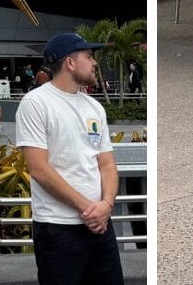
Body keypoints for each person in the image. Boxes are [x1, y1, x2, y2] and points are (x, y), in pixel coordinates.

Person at [17, 33, 122, 284]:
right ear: (70, 63)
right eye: (89, 56)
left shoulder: (94, 107)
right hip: (58, 229)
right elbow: (39, 169)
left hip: (100, 227)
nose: (95, 62)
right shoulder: (35, 103)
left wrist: (106, 205)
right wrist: (88, 209)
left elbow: (106, 164)